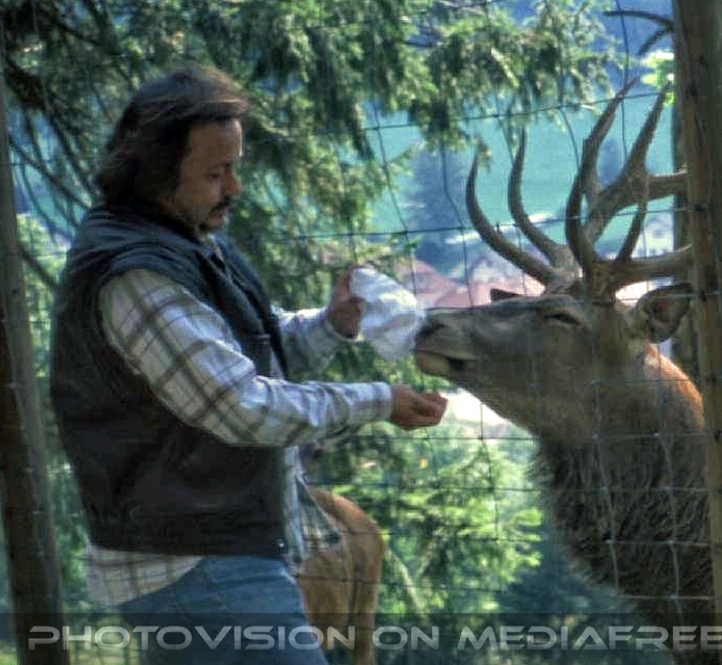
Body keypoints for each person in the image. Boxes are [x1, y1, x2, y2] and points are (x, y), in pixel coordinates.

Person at [49, 65, 447, 664]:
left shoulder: (188, 239)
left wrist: (331, 324)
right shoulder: (139, 276)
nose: (234, 187)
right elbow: (241, 405)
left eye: (234, 167)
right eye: (216, 173)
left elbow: (247, 353)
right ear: (155, 173)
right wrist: (378, 400)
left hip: (216, 556)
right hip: (196, 567)